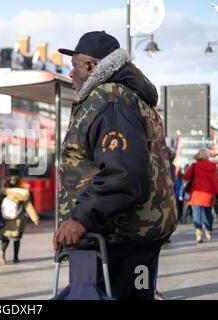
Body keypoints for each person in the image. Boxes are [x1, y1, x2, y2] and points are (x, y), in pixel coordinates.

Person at [53, 31, 177, 300]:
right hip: (135, 237)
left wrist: (81, 219)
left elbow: (122, 173)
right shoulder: (127, 97)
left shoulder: (111, 100)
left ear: (90, 66)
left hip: (118, 239)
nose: (70, 73)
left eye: (74, 66)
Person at [0, 175, 39, 264]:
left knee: (5, 237)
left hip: (6, 219)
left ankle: (2, 251)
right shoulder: (23, 193)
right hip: (18, 219)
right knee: (17, 238)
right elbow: (28, 206)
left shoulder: (4, 192)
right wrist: (34, 218)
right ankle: (15, 258)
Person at [182, 148, 217, 243]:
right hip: (208, 194)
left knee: (196, 214)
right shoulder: (213, 166)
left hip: (196, 194)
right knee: (208, 214)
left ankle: (198, 234)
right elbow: (215, 181)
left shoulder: (194, 166)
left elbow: (185, 177)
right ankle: (208, 231)